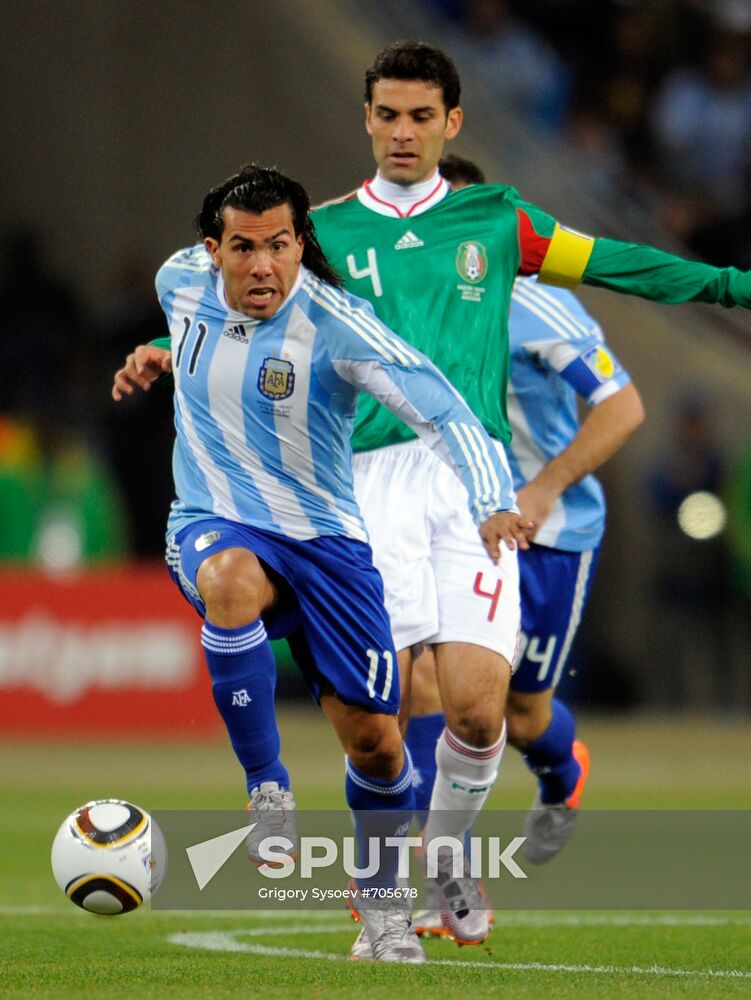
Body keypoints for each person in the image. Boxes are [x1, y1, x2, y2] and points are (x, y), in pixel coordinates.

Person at [118, 41, 751, 950]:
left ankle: (447, 861)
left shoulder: (500, 220)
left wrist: (728, 285)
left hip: (469, 478)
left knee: (477, 707)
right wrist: (161, 350)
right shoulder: (324, 229)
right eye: (388, 114)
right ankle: (381, 894)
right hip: (362, 482)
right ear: (367, 119)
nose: (404, 132)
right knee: (384, 718)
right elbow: (235, 297)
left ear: (453, 121)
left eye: (422, 116)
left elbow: (617, 262)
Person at [112, 163, 532, 964]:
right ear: (213, 251)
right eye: (245, 248)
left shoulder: (341, 328)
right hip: (215, 518)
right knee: (228, 581)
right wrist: (161, 353)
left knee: (378, 744)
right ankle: (266, 786)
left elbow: (443, 408)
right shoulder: (179, 282)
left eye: (280, 245)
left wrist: (487, 499)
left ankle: (382, 911)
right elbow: (200, 334)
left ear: (301, 244)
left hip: (329, 546)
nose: (263, 265)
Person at [402, 153, 645, 937]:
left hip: (547, 536)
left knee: (520, 711)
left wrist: (541, 491)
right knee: (428, 690)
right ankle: (447, 878)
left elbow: (621, 407)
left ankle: (560, 770)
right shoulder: (399, 306)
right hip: (449, 527)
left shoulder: (539, 307)